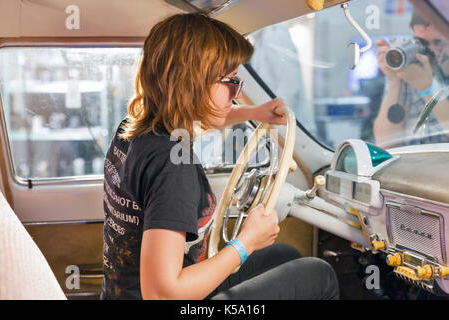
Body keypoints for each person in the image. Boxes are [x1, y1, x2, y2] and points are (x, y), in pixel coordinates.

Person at [100, 12, 339, 300]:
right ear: (193, 82)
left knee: (283, 255)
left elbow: (198, 118)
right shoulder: (173, 168)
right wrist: (246, 242)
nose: (236, 94)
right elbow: (161, 294)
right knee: (318, 274)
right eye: (231, 82)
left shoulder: (136, 128)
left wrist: (253, 113)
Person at [374, 9, 449, 148]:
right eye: (422, 43)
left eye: (438, 43)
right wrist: (394, 80)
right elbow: (386, 145)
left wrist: (428, 88)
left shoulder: (420, 79)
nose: (429, 51)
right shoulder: (411, 70)